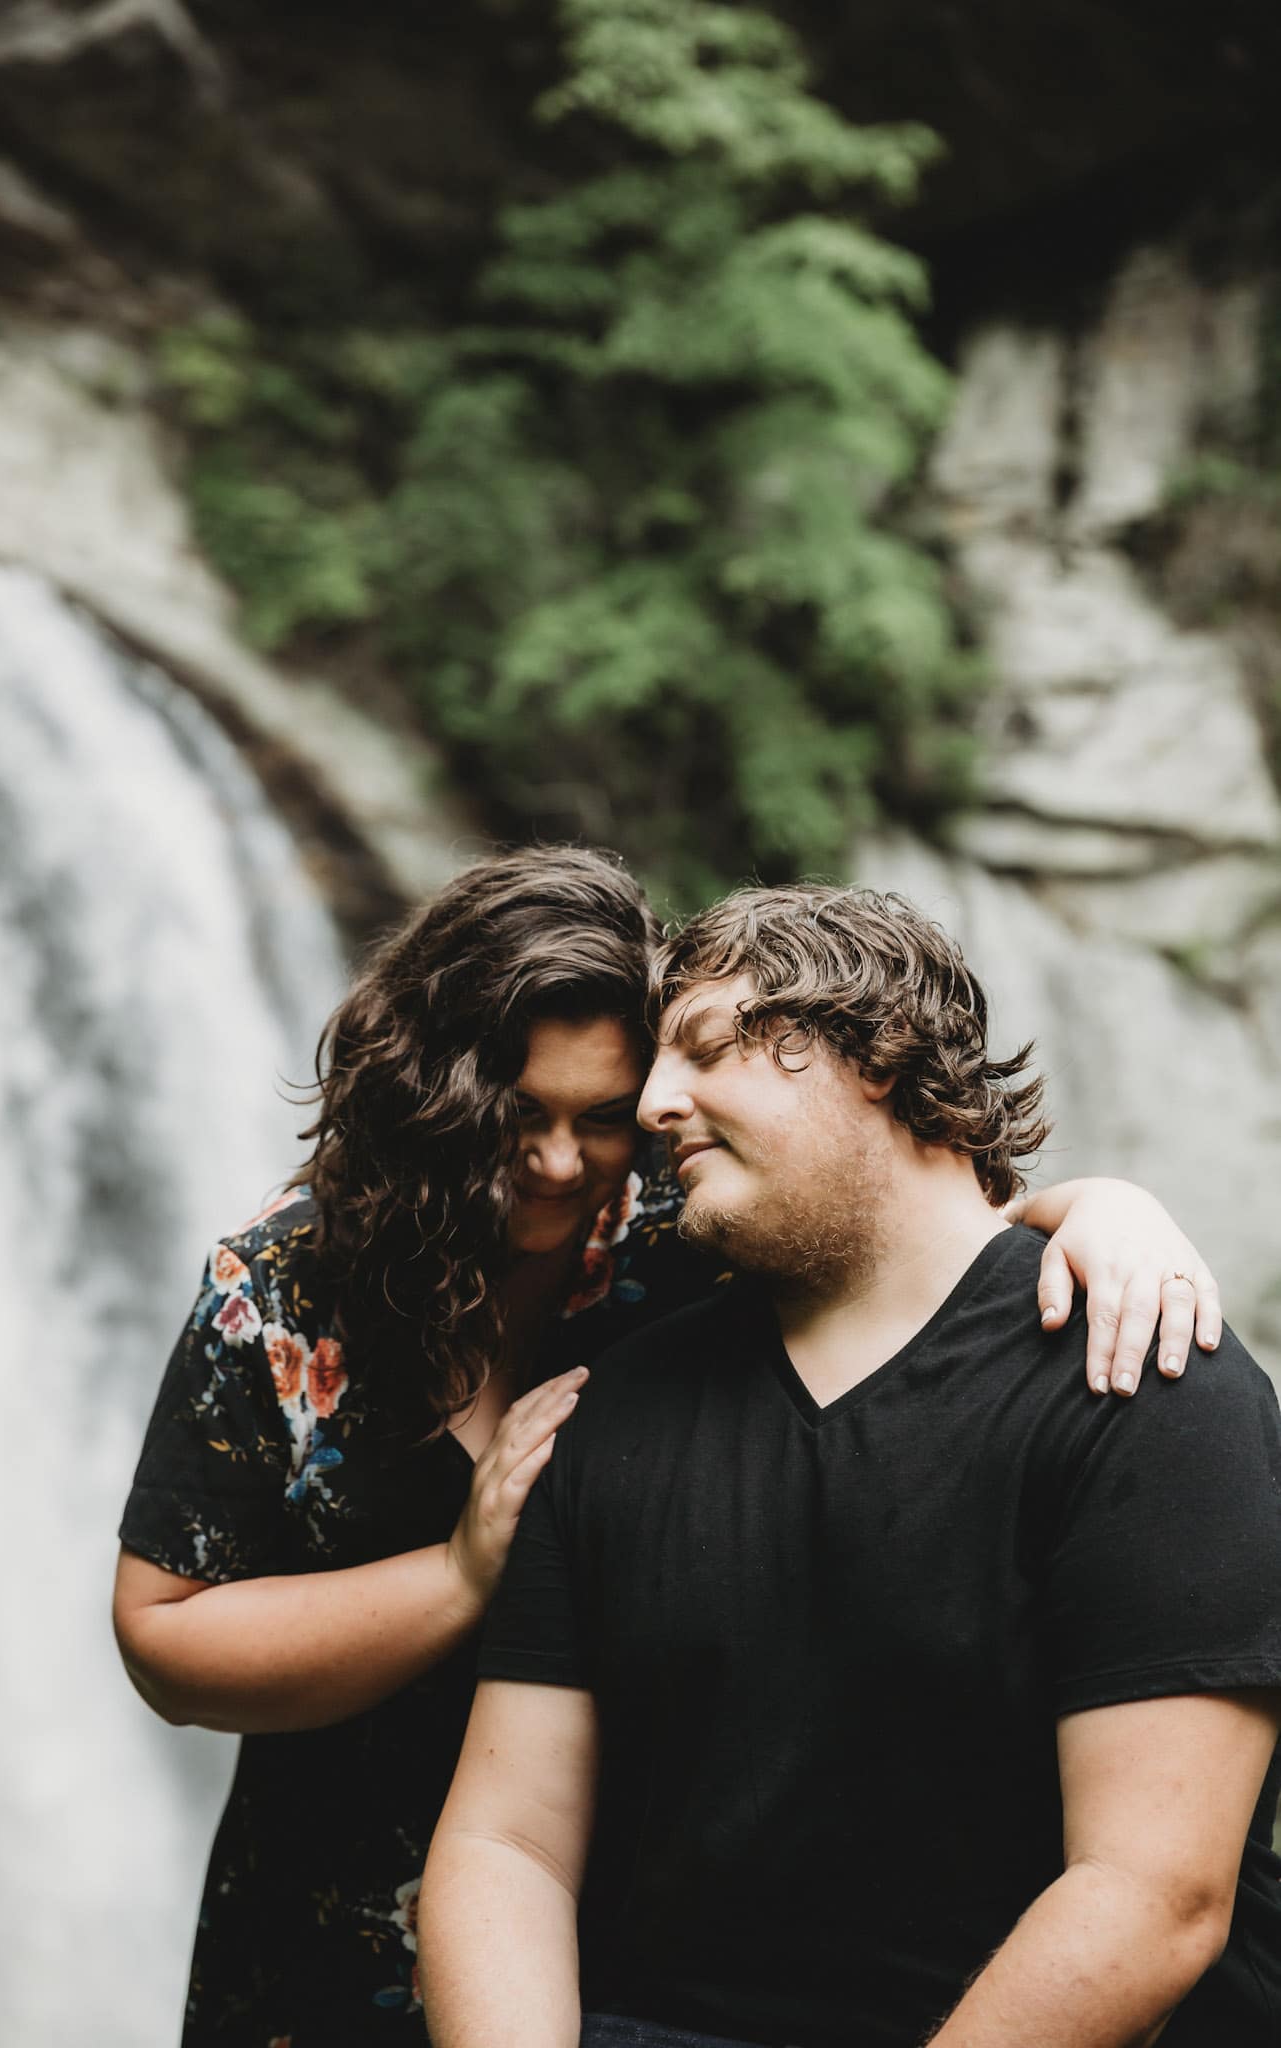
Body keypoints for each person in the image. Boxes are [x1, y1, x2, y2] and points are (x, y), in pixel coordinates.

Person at [114, 848, 1222, 2048]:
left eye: (600, 1115)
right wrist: (461, 1576)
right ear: (429, 1090)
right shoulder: (287, 1285)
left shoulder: (672, 1215)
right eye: (512, 1115)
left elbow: (901, 1213)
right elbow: (167, 1636)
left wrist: (1105, 1207)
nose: (556, 1160)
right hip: (349, 1874)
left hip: (640, 1907)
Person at [419, 883, 1281, 2048]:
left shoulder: (1146, 1381)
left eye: (708, 1049)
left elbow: (1155, 1896)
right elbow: (504, 1842)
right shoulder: (614, 1401)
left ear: (873, 1054)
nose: (654, 1103)